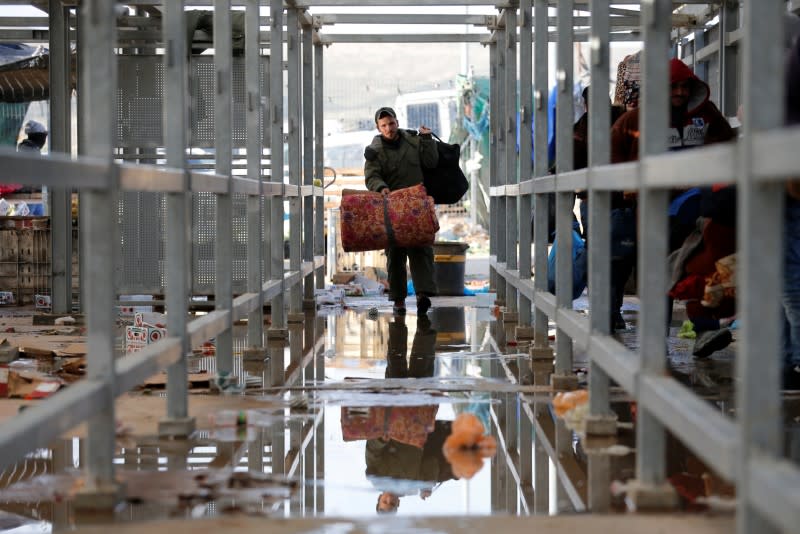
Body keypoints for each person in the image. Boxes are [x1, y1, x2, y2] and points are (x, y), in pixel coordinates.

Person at [611, 57, 735, 337]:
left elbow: (727, 147)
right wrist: (627, 187)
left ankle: (705, 330)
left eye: (685, 87)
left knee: (703, 264)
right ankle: (661, 335)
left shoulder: (708, 114)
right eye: (673, 87)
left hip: (699, 203)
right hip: (655, 210)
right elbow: (614, 155)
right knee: (661, 268)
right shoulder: (633, 120)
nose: (680, 92)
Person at [364, 107, 439, 316]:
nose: (389, 128)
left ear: (397, 122)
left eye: (391, 123)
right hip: (392, 209)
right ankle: (398, 300)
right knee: (395, 255)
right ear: (378, 128)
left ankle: (423, 296)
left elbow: (431, 162)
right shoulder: (375, 150)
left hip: (416, 206)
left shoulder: (413, 141)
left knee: (421, 251)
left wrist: (426, 140)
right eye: (384, 125)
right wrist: (381, 187)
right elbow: (371, 176)